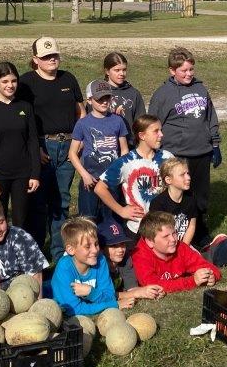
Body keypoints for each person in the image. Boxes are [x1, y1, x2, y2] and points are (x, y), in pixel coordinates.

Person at [17, 37, 85, 259]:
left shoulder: (69, 78)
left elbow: (80, 112)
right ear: (35, 59)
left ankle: (59, 253)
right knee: (38, 203)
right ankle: (35, 254)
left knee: (62, 202)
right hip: (41, 147)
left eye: (54, 55)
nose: (51, 59)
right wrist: (35, 149)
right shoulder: (26, 83)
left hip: (68, 147)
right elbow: (22, 119)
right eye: (46, 56)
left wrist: (78, 140)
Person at [148, 47, 220, 249]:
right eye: (183, 71)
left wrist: (215, 144)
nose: (188, 74)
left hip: (202, 150)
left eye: (191, 70)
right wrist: (155, 150)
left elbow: (210, 117)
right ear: (172, 71)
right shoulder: (163, 94)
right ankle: (173, 233)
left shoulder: (201, 89)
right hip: (177, 154)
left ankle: (200, 232)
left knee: (201, 195)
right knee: (181, 195)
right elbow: (153, 124)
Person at [0, 62, 40, 230]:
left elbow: (32, 141)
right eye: (5, 81)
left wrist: (35, 174)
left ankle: (21, 253)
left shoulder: (25, 107)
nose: (10, 85)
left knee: (22, 220)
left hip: (23, 174)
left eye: (13, 81)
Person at [94, 114, 172, 239]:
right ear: (142, 136)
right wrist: (121, 210)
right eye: (156, 131)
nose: (161, 135)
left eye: (161, 130)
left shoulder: (167, 157)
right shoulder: (126, 162)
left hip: (166, 225)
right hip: (138, 228)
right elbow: (99, 188)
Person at [70, 80, 128, 223]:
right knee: (88, 222)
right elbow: (72, 153)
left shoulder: (118, 121)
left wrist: (121, 172)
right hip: (90, 181)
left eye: (107, 98)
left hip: (112, 180)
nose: (104, 102)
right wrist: (84, 174)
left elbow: (124, 149)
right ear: (89, 100)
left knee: (112, 220)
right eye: (99, 99)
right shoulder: (83, 123)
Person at [131, 211, 221, 293]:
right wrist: (192, 281)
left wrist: (211, 276)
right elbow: (153, 286)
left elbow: (207, 266)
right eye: (166, 236)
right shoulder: (140, 256)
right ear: (150, 241)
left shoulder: (180, 247)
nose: (173, 239)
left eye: (174, 233)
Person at [50, 217, 119, 317]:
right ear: (70, 249)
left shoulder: (100, 260)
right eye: (87, 246)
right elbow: (73, 310)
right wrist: (112, 305)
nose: (95, 250)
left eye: (96, 244)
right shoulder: (64, 267)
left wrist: (90, 292)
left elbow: (110, 296)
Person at [98, 221, 164, 309]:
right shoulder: (97, 266)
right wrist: (138, 293)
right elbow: (100, 295)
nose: (120, 250)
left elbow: (132, 288)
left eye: (122, 244)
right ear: (101, 248)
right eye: (114, 246)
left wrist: (150, 292)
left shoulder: (125, 259)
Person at [84, 52, 146, 139]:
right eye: (117, 70)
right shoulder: (97, 93)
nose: (122, 73)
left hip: (129, 144)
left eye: (124, 70)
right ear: (107, 71)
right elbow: (88, 121)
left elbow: (141, 123)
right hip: (103, 143)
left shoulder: (134, 93)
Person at [147, 157, 195, 244]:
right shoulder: (158, 204)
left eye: (188, 173)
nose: (188, 177)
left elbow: (191, 225)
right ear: (168, 180)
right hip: (162, 247)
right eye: (182, 175)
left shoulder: (190, 199)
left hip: (182, 245)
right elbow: (157, 234)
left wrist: (184, 248)